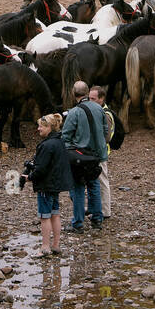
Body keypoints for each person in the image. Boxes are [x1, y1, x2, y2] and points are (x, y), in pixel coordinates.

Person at [23, 112, 72, 257]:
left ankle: (45, 247)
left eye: (40, 127)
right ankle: (56, 245)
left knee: (45, 216)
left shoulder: (46, 145)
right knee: (55, 214)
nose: (38, 129)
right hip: (56, 184)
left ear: (49, 127)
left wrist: (29, 177)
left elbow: (41, 169)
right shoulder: (59, 141)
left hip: (46, 185)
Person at [60, 81, 106, 231]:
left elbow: (65, 136)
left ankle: (78, 224)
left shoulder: (74, 112)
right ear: (87, 92)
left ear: (74, 94)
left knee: (78, 188)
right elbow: (106, 131)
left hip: (80, 157)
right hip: (96, 155)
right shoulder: (99, 109)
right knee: (94, 185)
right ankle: (97, 220)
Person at [87, 85, 116, 219]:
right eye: (89, 98)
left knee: (102, 181)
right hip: (94, 153)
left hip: (101, 153)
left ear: (102, 98)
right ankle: (95, 207)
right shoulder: (96, 111)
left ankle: (105, 210)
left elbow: (107, 137)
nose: (90, 101)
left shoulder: (106, 114)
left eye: (93, 99)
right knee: (94, 181)